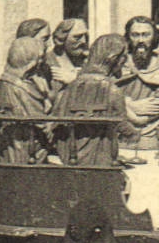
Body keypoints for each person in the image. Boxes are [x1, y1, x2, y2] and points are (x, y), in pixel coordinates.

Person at [53, 34, 129, 167]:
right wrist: (135, 134)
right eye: (124, 57)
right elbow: (122, 125)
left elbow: (57, 119)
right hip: (99, 158)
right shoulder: (112, 89)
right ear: (113, 58)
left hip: (71, 156)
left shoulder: (71, 86)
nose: (125, 61)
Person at [0, 36, 52, 164]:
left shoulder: (19, 81)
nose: (40, 64)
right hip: (23, 141)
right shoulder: (16, 86)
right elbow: (34, 115)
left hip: (23, 136)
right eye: (38, 60)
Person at [118, 16, 159, 152]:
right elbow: (108, 95)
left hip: (152, 128)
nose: (141, 40)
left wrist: (141, 120)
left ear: (154, 37)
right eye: (135, 35)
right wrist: (129, 106)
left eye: (146, 35)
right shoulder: (119, 63)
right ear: (128, 37)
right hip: (121, 129)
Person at [48, 18, 90, 92]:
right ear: (61, 39)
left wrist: (75, 80)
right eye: (77, 37)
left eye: (86, 36)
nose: (83, 41)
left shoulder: (88, 61)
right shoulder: (48, 61)